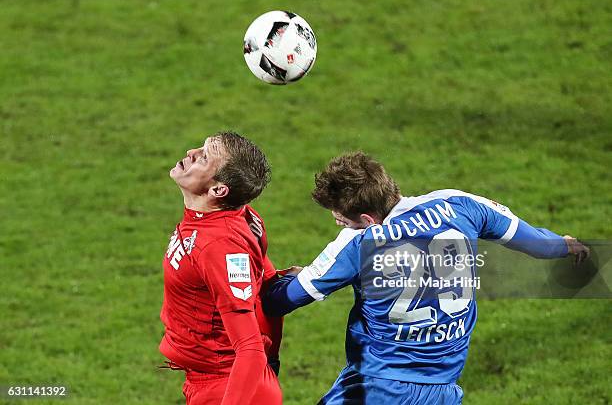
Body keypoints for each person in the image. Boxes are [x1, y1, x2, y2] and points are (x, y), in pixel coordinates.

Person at [263, 152, 589, 404]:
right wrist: (564, 245)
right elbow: (534, 242)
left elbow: (281, 300)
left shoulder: (359, 242)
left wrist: (280, 276)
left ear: (366, 219)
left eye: (341, 219)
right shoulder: (460, 204)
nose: (338, 224)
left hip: (375, 389)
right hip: (442, 391)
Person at [159, 131, 282, 405]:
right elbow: (268, 286)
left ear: (218, 190)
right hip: (224, 382)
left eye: (203, 157)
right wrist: (272, 364)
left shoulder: (219, 244)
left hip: (228, 387)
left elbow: (250, 350)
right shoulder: (235, 216)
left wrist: (267, 364)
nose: (190, 152)